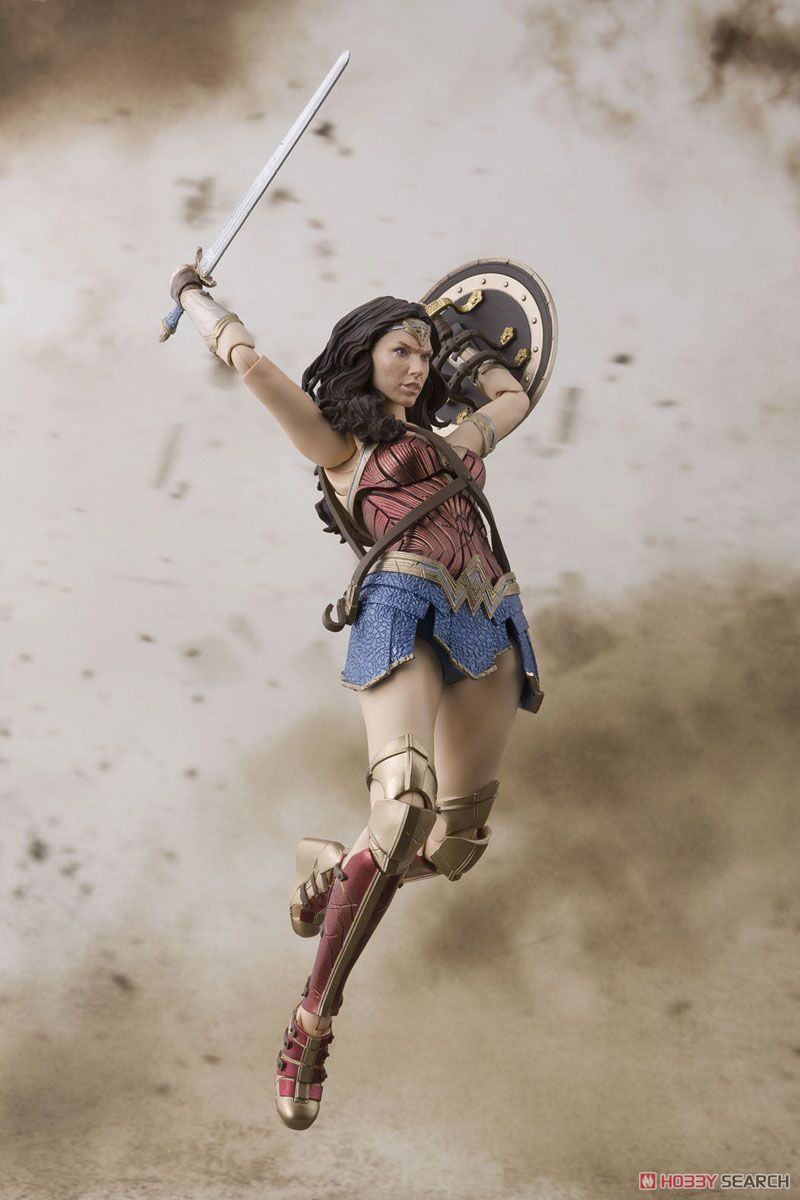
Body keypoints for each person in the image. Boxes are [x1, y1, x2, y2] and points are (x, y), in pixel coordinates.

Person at [169, 264, 544, 1129]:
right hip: (403, 607)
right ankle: (312, 1022)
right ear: (364, 352)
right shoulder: (342, 445)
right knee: (404, 808)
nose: (415, 366)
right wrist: (196, 299)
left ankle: (335, 869)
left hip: (490, 618)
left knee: (451, 847)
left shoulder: (456, 441)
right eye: (401, 349)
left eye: (424, 353)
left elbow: (513, 399)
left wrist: (467, 352)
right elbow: (254, 367)